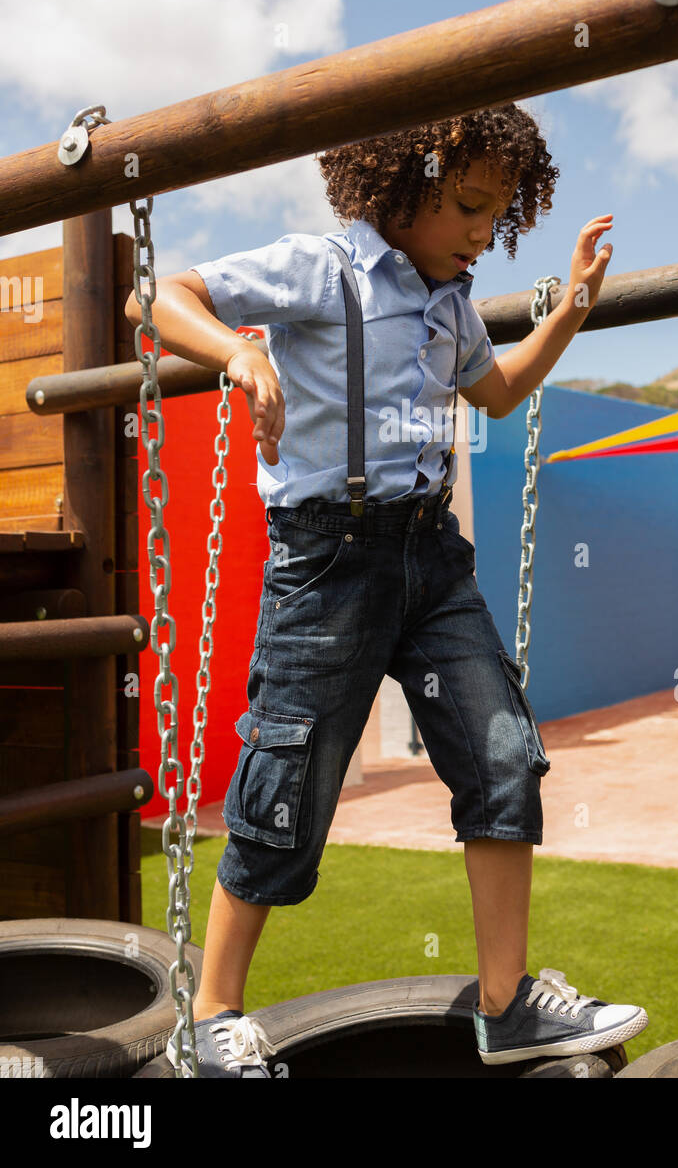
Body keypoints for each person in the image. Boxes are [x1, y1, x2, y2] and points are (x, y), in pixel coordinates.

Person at [125, 102, 647, 1077]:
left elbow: (496, 390)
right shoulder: (320, 269)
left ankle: (507, 1005)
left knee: (501, 754)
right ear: (403, 184)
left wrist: (571, 303)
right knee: (288, 774)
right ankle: (214, 1011)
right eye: (468, 206)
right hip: (328, 561)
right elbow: (158, 296)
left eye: (499, 216)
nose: (483, 234)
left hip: (429, 557)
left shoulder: (449, 305)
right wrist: (239, 353)